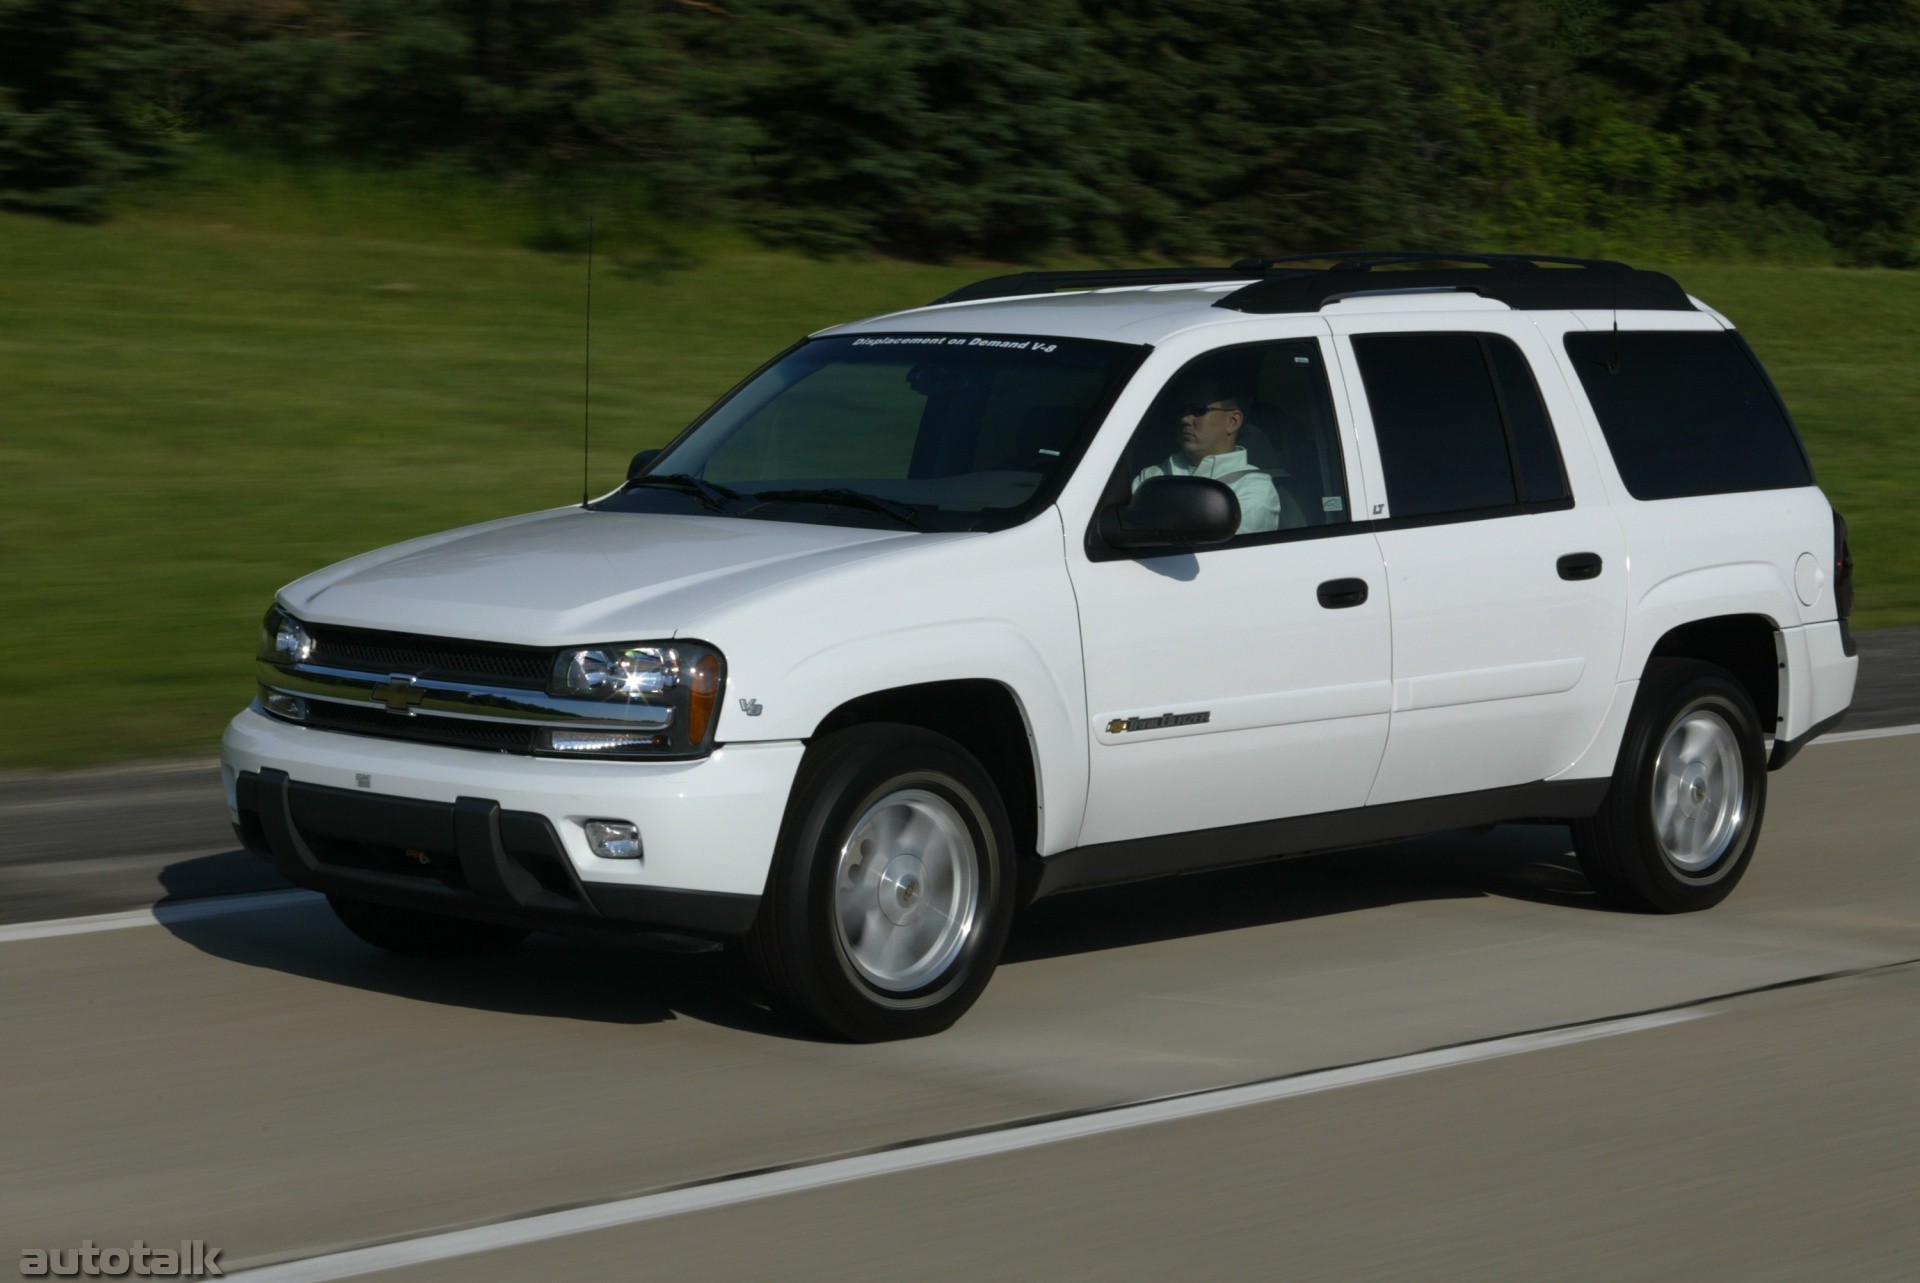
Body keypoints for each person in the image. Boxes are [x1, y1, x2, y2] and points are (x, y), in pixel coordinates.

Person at [1130, 385, 1297, 534]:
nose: (1185, 419)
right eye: (1181, 410)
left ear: (1233, 421)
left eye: (1198, 410)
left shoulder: (1256, 489)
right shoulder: (1152, 475)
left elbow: (1218, 549)